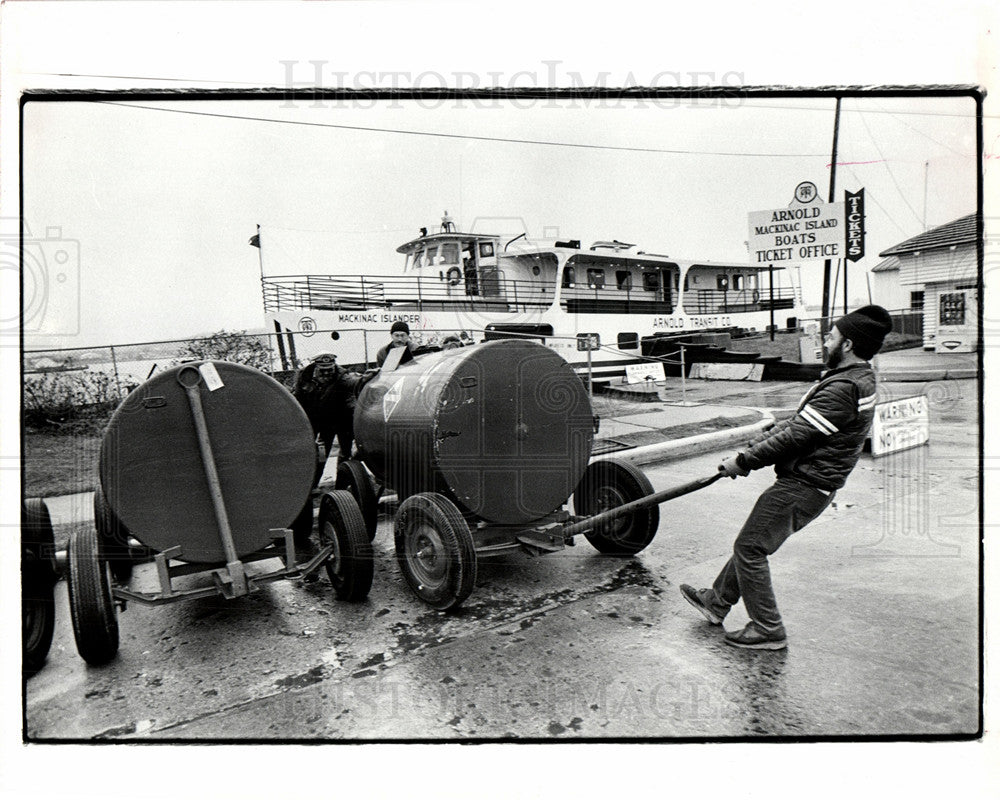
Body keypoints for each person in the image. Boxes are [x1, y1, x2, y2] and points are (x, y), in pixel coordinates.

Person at [680, 305, 893, 650]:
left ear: (849, 345)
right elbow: (797, 423)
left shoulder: (844, 388)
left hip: (804, 485)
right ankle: (716, 602)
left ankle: (768, 628)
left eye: (832, 336)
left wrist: (744, 461)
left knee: (750, 547)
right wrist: (753, 446)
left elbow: (798, 436)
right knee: (754, 542)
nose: (826, 341)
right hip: (812, 482)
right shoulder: (855, 379)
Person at [292, 352, 367, 481]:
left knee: (346, 453)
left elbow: (354, 381)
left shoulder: (342, 376)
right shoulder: (304, 376)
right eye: (323, 370)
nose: (327, 374)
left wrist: (366, 378)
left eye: (329, 370)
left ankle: (342, 484)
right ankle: (312, 485)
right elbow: (297, 398)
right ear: (316, 367)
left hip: (340, 419)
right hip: (316, 420)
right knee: (319, 454)